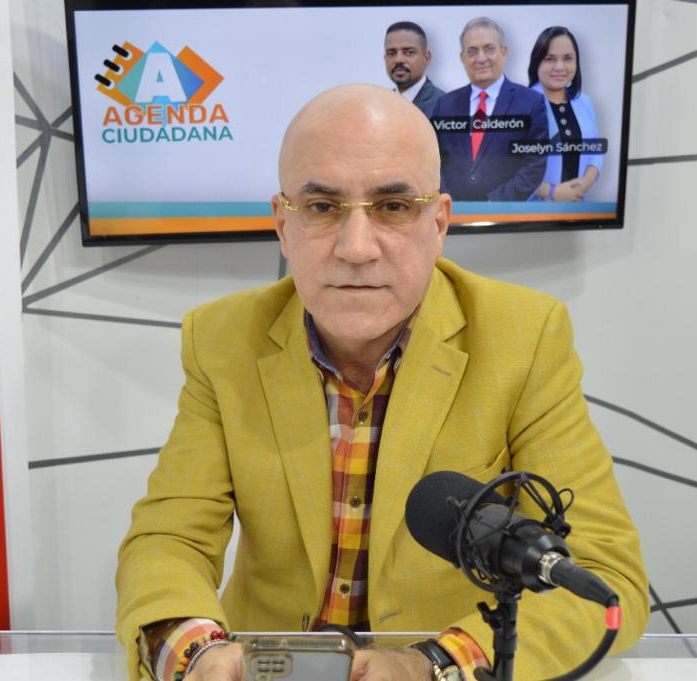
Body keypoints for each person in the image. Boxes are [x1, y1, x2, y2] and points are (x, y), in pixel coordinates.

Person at [115, 84, 648, 681]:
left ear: (439, 222)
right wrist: (197, 655)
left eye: (393, 206)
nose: (356, 248)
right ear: (282, 225)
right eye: (322, 207)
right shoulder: (222, 339)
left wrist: (432, 665)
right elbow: (169, 540)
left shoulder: (524, 338)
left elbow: (605, 576)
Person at [430, 17, 549, 201]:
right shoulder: (444, 105)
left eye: (489, 49)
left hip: (505, 213)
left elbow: (534, 166)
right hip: (453, 212)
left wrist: (493, 203)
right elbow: (433, 160)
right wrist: (449, 202)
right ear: (462, 58)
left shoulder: (531, 102)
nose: (481, 58)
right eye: (472, 51)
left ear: (504, 52)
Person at [527, 27, 602, 202]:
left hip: (578, 209)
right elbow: (506, 169)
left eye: (568, 58)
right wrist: (552, 192)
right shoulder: (520, 104)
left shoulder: (585, 102)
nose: (559, 67)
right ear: (537, 62)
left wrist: (582, 186)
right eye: (550, 59)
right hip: (534, 212)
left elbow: (595, 151)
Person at [384, 21, 445, 117]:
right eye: (391, 53)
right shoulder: (379, 104)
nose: (398, 60)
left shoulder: (445, 107)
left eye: (409, 52)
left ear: (426, 58)